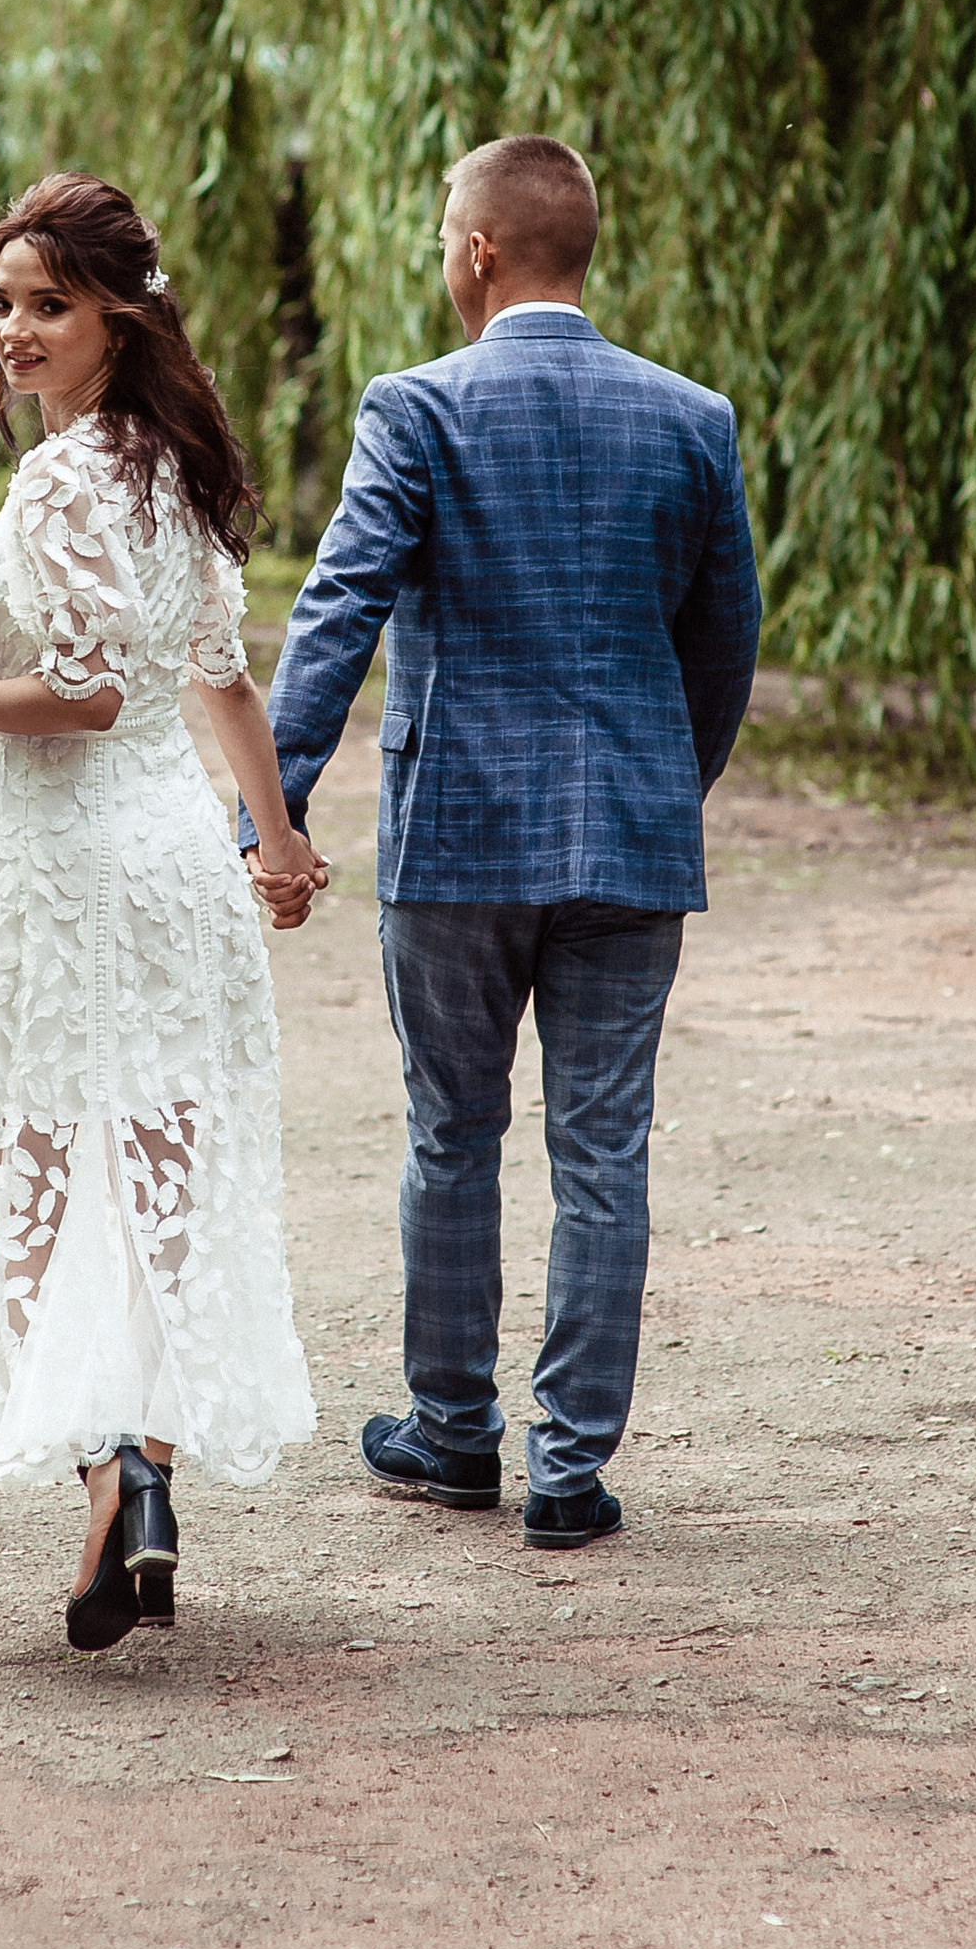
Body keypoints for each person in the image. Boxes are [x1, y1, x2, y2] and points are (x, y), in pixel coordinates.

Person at [253, 136, 760, 1545]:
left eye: (438, 238)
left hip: (458, 837)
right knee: (603, 1150)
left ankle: (455, 1436)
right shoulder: (690, 418)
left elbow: (338, 613)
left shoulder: (416, 410)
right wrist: (668, 780)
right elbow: (725, 643)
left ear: (477, 253)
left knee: (450, 1136)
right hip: (630, 838)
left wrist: (271, 813)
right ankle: (570, 1472)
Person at [0, 172, 319, 1649]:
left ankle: (115, 1465)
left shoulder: (64, 480)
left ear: (121, 311)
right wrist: (280, 839)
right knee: (166, 1162)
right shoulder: (167, 462)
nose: (14, 330)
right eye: (0, 303)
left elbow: (88, 693)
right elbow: (219, 675)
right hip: (177, 856)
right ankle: (148, 1482)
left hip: (65, 871)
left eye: (48, 303)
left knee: (31, 1170)